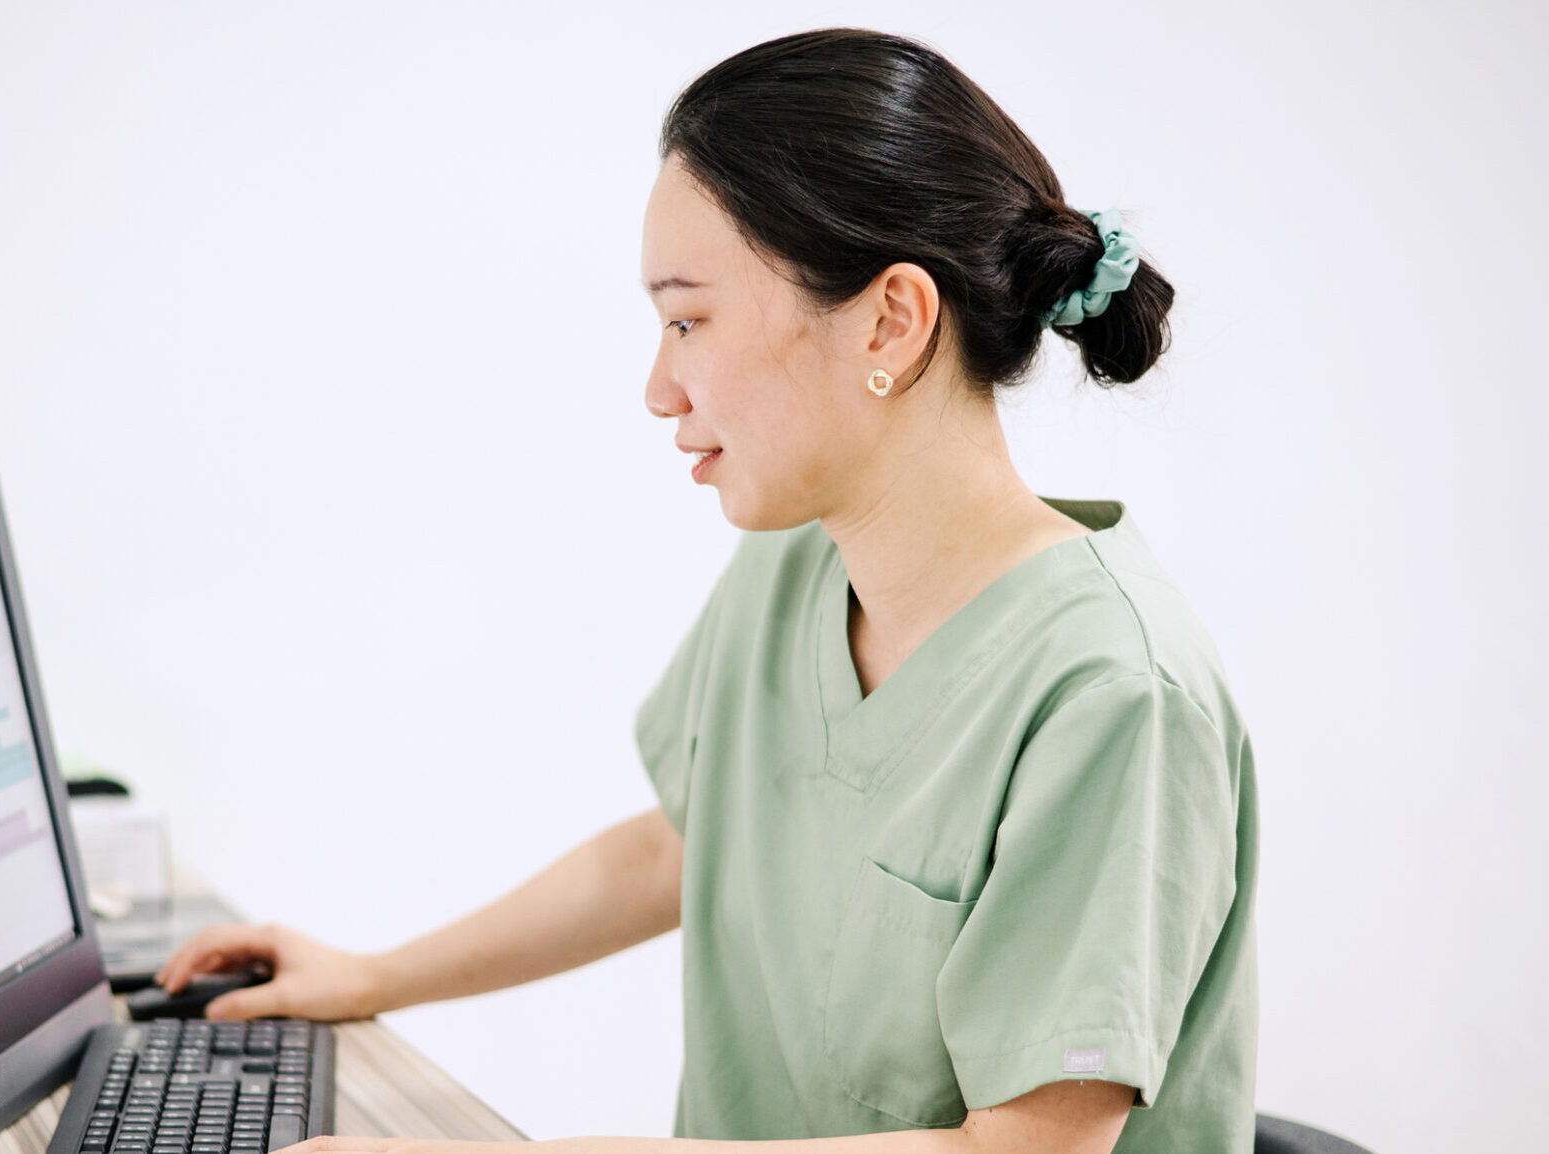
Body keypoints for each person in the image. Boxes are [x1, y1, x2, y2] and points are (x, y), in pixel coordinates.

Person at [159, 28, 1257, 1154]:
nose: (655, 386)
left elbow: (1020, 1148)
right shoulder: (796, 561)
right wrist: (372, 972)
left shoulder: (1115, 693)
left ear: (890, 319)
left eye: (688, 319)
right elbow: (687, 844)